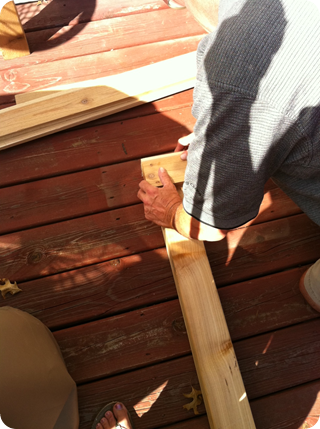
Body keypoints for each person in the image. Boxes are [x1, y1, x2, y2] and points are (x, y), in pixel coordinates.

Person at [138, 0, 320, 311]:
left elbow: (208, 227)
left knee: (313, 290)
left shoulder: (242, 66)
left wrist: (171, 212)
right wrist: (224, 131)